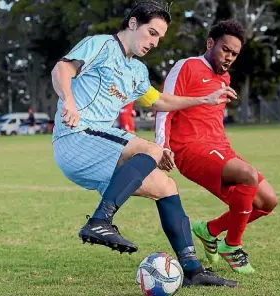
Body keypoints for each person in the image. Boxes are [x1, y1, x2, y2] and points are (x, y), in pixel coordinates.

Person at [51, 0, 237, 287]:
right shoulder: (101, 45)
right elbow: (61, 70)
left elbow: (160, 101)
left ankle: (192, 270)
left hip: (97, 149)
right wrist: (70, 102)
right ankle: (99, 221)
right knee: (152, 147)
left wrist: (205, 99)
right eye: (152, 33)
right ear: (133, 23)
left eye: (160, 38)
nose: (155, 42)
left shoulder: (136, 72)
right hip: (76, 136)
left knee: (166, 187)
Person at [155, 20, 279, 274]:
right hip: (189, 149)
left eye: (234, 54)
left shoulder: (225, 78)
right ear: (210, 43)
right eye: (225, 50)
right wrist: (162, 146)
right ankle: (231, 246)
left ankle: (209, 230)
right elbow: (163, 106)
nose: (229, 57)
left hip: (220, 148)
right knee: (248, 176)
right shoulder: (187, 66)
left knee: (267, 201)